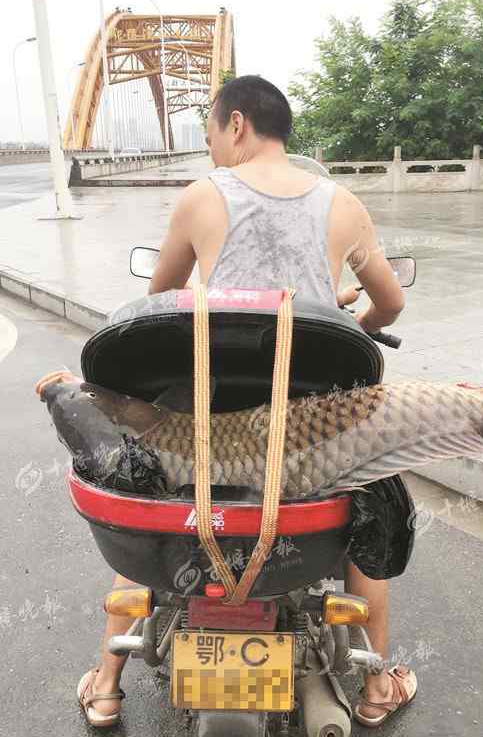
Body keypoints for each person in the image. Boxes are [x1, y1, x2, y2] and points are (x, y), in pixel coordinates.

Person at [71, 75, 417, 728]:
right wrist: (343, 327)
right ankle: (376, 687)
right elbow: (392, 302)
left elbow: (156, 305)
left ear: (236, 125)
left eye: (209, 136)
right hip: (311, 441)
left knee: (154, 508)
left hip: (206, 433)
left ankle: (106, 683)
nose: (210, 151)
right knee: (374, 505)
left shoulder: (202, 197)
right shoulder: (345, 206)